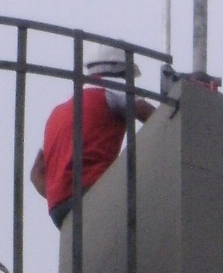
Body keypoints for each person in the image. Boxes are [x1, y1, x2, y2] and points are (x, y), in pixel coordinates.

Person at [30, 45, 155, 229]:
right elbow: (157, 118)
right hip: (93, 191)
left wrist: (62, 193)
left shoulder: (58, 113)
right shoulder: (113, 89)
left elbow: (36, 174)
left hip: (59, 208)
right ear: (122, 72)